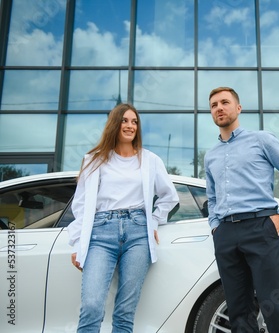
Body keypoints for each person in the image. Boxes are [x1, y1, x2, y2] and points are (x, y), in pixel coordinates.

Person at [67, 103, 179, 333]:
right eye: (124, 121)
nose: (130, 126)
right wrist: (78, 242)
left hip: (138, 233)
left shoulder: (150, 160)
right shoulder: (94, 160)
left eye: (134, 122)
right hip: (100, 233)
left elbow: (169, 196)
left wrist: (154, 220)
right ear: (114, 124)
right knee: (91, 305)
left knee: (125, 311)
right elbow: (80, 205)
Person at [204, 87, 279, 333]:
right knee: (238, 312)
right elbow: (212, 195)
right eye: (214, 105)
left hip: (261, 229)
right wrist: (215, 226)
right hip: (226, 234)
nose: (219, 108)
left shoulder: (261, 140)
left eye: (225, 102)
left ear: (238, 108)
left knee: (273, 305)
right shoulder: (210, 156)